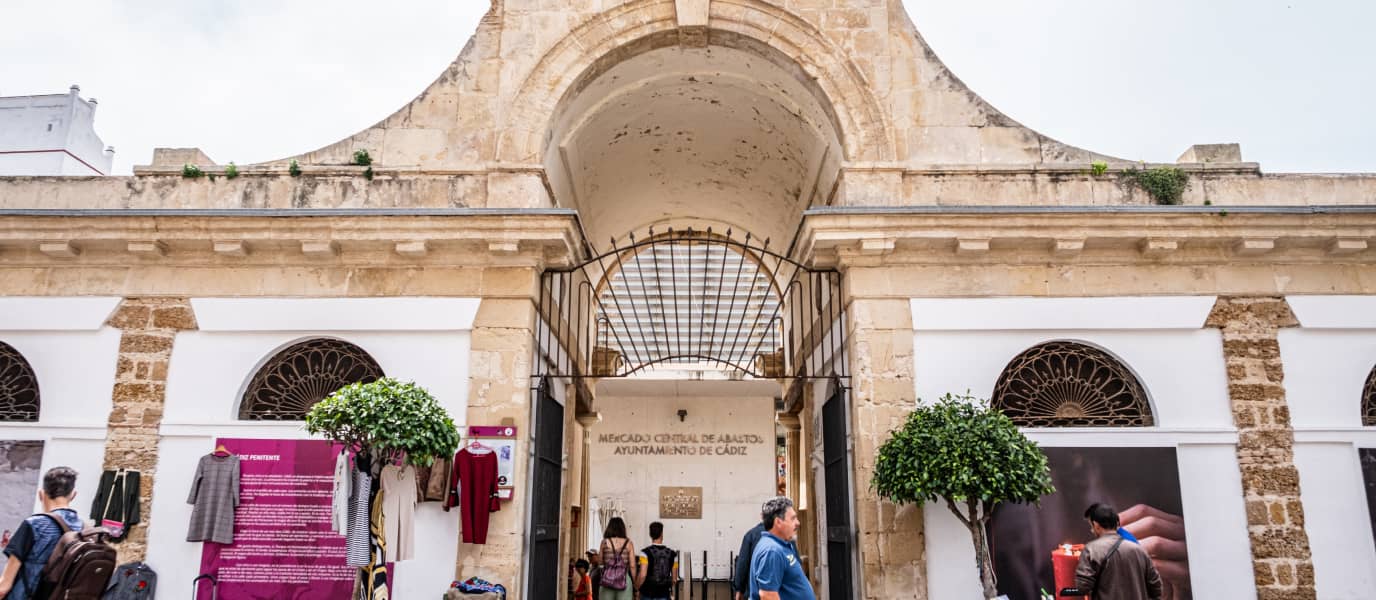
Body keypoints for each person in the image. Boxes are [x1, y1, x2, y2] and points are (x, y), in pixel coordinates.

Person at [0, 466, 85, 600]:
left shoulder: (33, 525)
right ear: (73, 495)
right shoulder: (84, 529)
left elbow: (4, 586)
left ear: (41, 494)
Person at [1075, 503, 1164, 600]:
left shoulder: (1091, 549)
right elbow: (1156, 587)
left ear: (1096, 525)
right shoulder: (1139, 549)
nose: (1091, 530)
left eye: (1091, 526)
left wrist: (1068, 590)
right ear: (1117, 523)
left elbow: (1083, 587)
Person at [749, 496, 813, 600]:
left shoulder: (780, 545)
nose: (798, 523)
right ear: (778, 522)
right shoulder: (772, 550)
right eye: (792, 519)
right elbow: (768, 596)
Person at [732, 499, 775, 600]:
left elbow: (743, 564)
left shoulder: (751, 535)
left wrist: (739, 589)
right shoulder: (785, 536)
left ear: (762, 516)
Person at [636, 521, 678, 600]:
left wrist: (636, 588)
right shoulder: (673, 554)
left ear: (650, 535)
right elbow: (674, 579)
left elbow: (642, 575)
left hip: (647, 594)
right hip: (664, 594)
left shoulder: (644, 553)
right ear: (662, 534)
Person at [598, 517, 636, 600]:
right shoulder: (629, 543)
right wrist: (635, 584)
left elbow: (600, 562)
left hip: (607, 580)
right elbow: (632, 566)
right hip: (624, 580)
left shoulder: (604, 542)